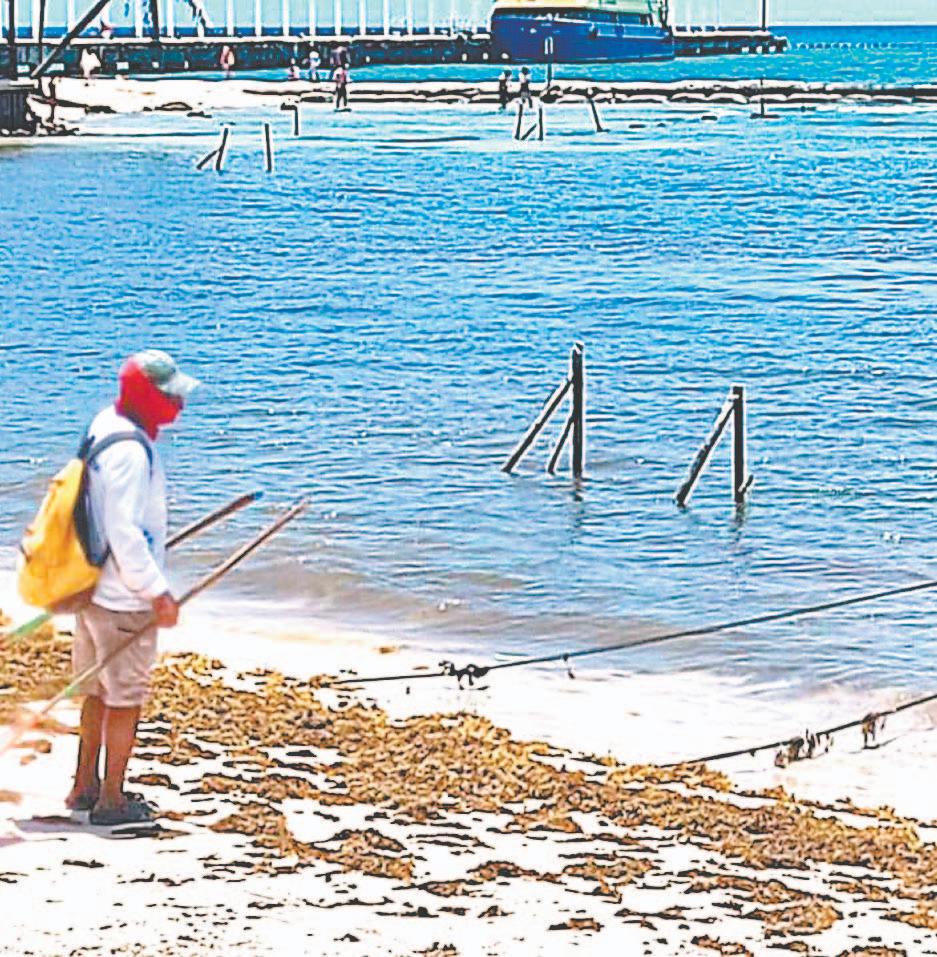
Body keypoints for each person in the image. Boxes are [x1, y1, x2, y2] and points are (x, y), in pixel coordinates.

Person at [65, 350, 199, 826]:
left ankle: (84, 785)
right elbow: (124, 532)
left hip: (91, 586)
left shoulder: (105, 424)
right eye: (170, 397)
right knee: (124, 700)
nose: (179, 405)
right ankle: (111, 802)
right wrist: (157, 592)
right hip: (123, 598)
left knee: (97, 691)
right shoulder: (131, 451)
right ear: (147, 397)